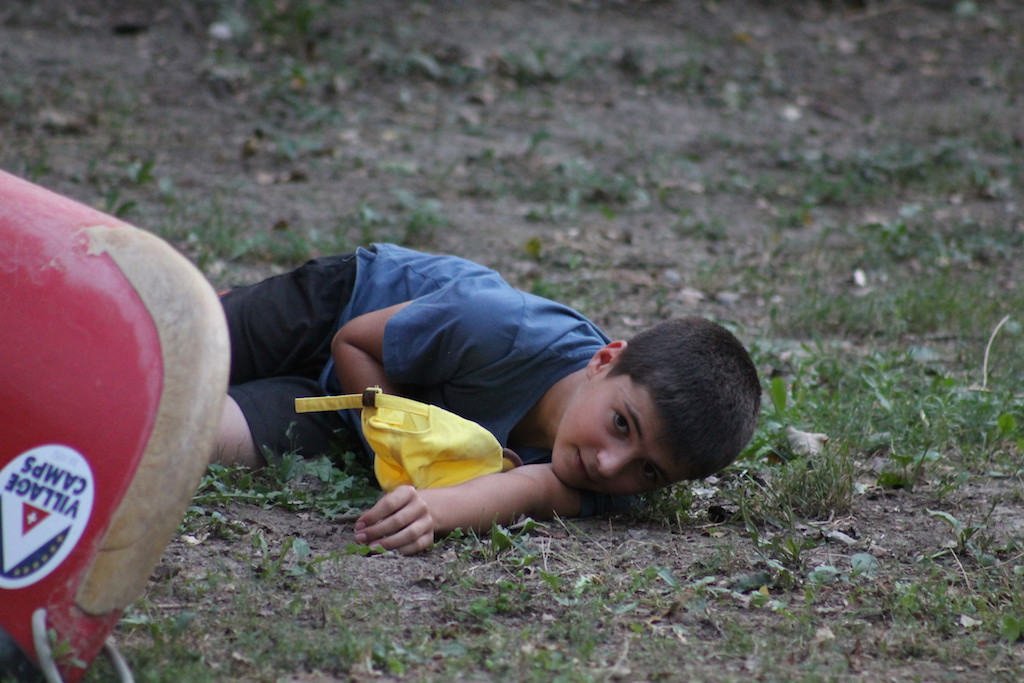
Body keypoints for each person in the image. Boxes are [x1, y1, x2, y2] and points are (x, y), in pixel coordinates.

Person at [213, 243, 761, 555]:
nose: (607, 464)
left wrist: (429, 508)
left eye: (647, 472)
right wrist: (404, 437)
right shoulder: (500, 327)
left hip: (361, 423)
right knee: (186, 342)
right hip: (349, 314)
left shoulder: (609, 483)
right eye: (621, 424)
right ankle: (221, 303)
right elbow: (354, 340)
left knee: (200, 433)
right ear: (604, 361)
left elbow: (524, 490)